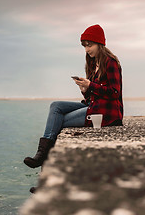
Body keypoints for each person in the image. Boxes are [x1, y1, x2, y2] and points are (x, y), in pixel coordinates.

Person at [23, 24, 123, 170]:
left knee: (59, 121)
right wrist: (85, 89)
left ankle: (44, 163)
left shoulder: (110, 62)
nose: (87, 49)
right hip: (93, 105)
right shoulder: (93, 63)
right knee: (55, 106)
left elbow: (114, 92)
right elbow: (93, 94)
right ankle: (42, 155)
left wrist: (91, 85)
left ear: (100, 44)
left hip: (106, 112)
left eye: (90, 45)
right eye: (84, 46)